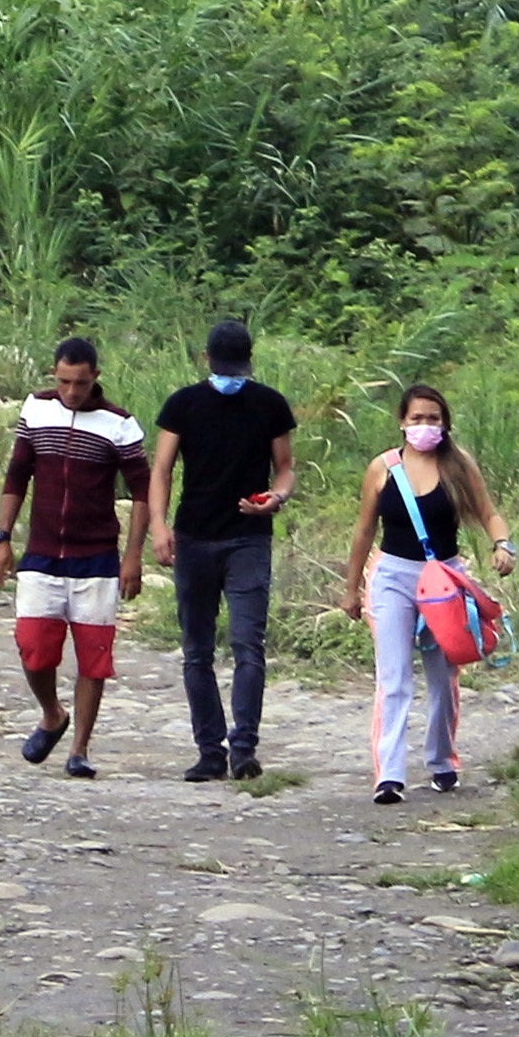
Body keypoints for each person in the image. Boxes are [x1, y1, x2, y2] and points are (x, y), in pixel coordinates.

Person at [332, 383, 512, 802]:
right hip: (393, 575)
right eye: (417, 419)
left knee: (444, 675)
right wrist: (351, 589)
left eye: (433, 418)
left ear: (445, 423)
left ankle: (441, 760)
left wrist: (502, 544)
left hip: (445, 580)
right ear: (401, 422)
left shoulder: (458, 465)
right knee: (393, 678)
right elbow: (363, 530)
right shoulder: (383, 468)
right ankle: (389, 774)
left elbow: (488, 511)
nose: (425, 426)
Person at [0, 337, 149, 778]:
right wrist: (2, 538)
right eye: (63, 381)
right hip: (41, 552)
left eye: (79, 383)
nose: (71, 392)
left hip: (96, 555)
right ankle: (52, 713)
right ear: (52, 375)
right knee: (34, 649)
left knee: (93, 655)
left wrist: (133, 556)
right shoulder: (37, 410)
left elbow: (142, 494)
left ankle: (80, 748)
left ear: (95, 377)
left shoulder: (120, 424)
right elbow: (16, 476)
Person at [147, 317, 299, 782]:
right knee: (197, 649)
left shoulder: (269, 405)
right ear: (207, 361)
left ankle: (244, 748)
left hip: (248, 538)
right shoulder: (184, 405)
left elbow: (286, 467)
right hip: (194, 536)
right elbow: (162, 468)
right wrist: (159, 524)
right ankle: (209, 749)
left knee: (247, 644)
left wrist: (276, 498)